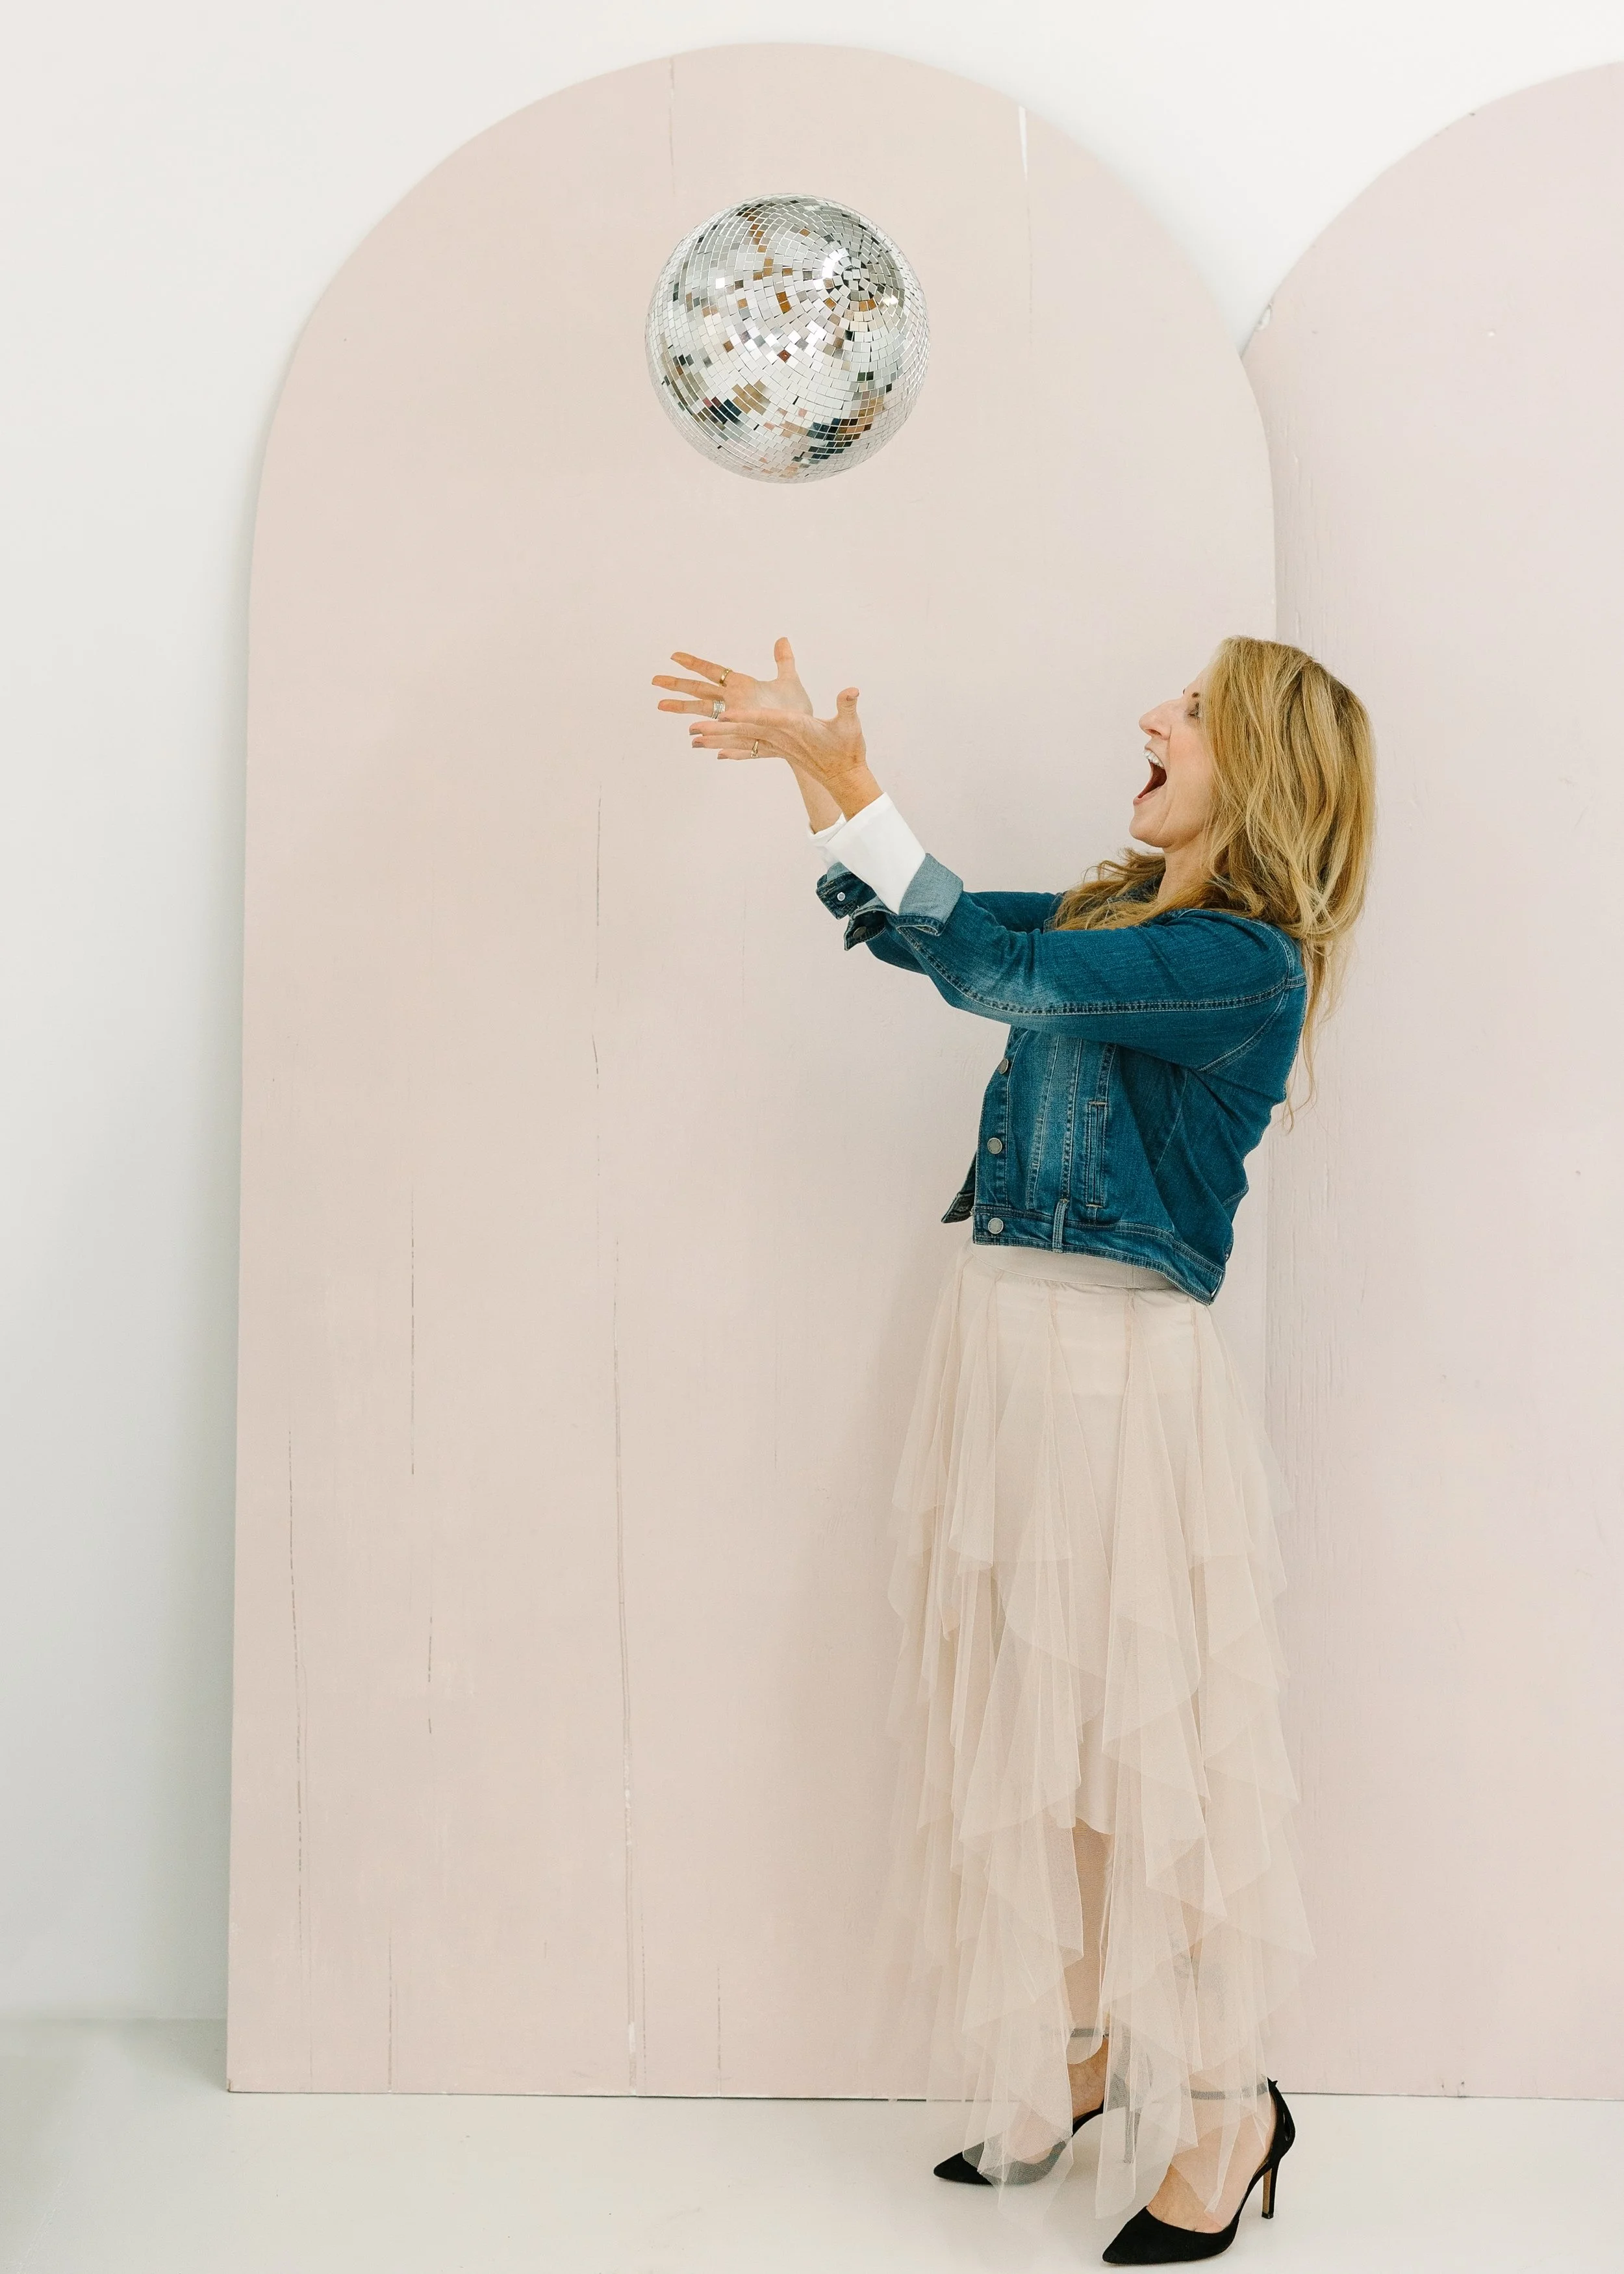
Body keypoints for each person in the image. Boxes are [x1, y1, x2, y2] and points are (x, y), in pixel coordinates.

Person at [652, 635, 1374, 2264]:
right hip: (1005, 1347)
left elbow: (997, 977)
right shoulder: (1125, 917)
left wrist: (847, 781)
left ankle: (1224, 2106)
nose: (1150, 714)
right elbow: (952, 938)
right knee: (1023, 1730)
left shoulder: (1238, 962)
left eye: (1186, 709)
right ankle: (1077, 2052)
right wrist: (817, 780)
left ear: (1255, 766)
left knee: (1138, 1753)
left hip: (1115, 1376)